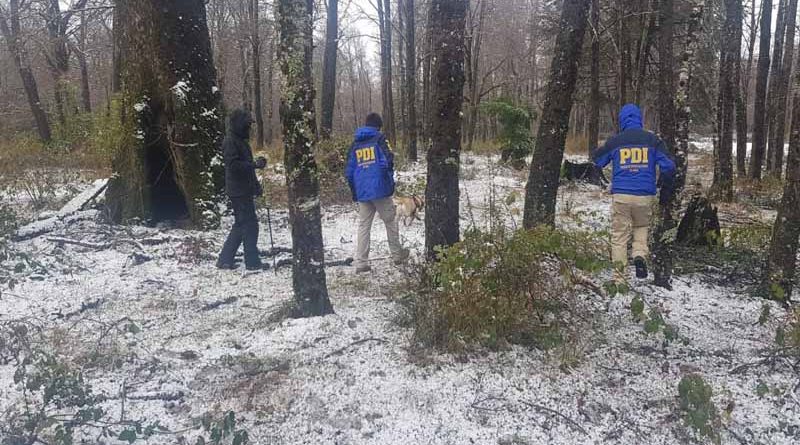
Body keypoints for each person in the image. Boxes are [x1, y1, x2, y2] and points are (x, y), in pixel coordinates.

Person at [592, 103, 676, 279]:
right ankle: (639, 255)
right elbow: (669, 166)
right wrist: (663, 186)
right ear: (639, 119)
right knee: (641, 226)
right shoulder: (652, 140)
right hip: (645, 195)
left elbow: (597, 160)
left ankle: (619, 279)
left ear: (622, 120)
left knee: (619, 237)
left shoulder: (616, 141)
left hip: (621, 195)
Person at [345, 113, 409, 273]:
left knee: (364, 225)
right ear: (378, 126)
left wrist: (355, 191)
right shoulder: (380, 139)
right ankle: (397, 255)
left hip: (363, 191)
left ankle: (361, 263)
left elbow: (349, 172)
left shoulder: (355, 144)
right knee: (391, 220)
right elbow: (388, 160)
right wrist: (388, 182)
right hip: (380, 190)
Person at [217, 109, 268, 271]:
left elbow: (245, 168)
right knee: (250, 226)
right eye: (247, 125)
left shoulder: (240, 140)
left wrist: (256, 186)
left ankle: (225, 260)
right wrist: (254, 165)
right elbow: (233, 166)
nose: (249, 128)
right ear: (239, 124)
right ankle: (252, 262)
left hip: (243, 189)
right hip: (238, 191)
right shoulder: (230, 141)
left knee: (241, 225)